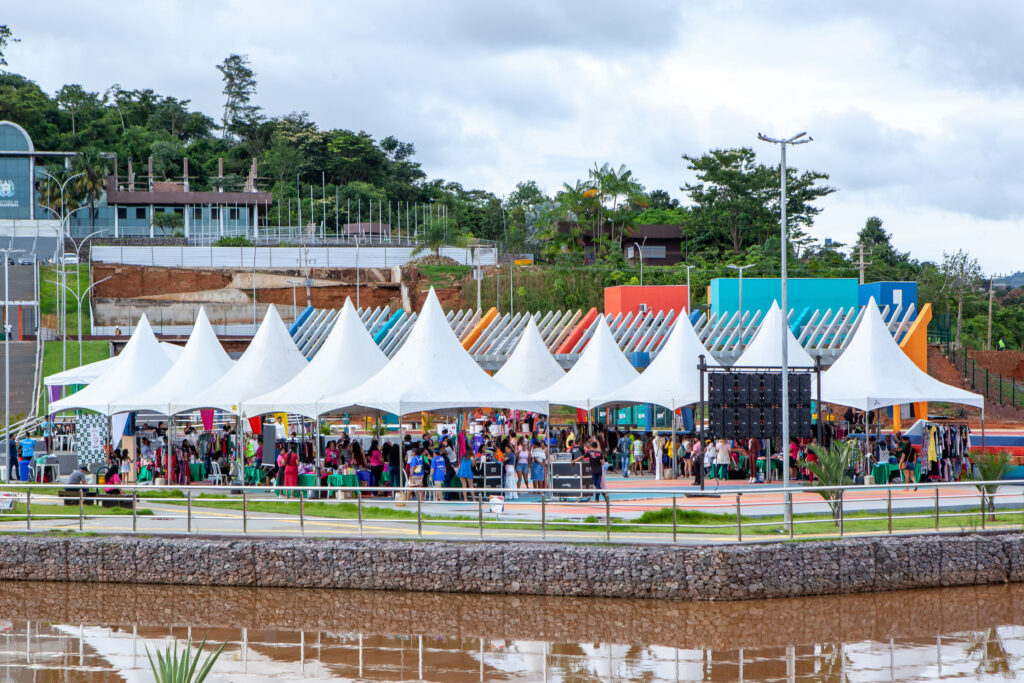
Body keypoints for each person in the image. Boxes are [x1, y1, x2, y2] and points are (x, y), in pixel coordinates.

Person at [572, 438, 608, 503]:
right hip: (599, 471)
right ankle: (602, 496)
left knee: (596, 484)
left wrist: (574, 461)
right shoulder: (600, 453)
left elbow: (581, 457)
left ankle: (598, 498)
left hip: (593, 471)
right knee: (598, 485)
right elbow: (603, 462)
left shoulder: (589, 452)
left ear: (591, 446)